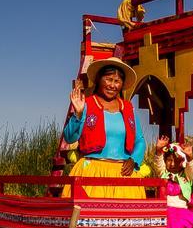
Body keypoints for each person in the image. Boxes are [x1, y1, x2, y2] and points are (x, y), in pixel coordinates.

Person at [62, 56, 147, 198]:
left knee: (125, 218)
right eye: (108, 79)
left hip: (123, 174)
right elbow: (69, 137)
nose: (112, 85)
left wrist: (134, 160)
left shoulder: (128, 109)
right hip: (92, 172)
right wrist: (78, 114)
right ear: (98, 79)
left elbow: (139, 140)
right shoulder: (86, 105)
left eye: (117, 81)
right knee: (89, 217)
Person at [152, 136, 193, 228]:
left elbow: (191, 167)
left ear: (182, 161)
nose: (172, 164)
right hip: (164, 211)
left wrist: (190, 156)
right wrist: (158, 151)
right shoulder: (163, 174)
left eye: (176, 160)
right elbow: (158, 165)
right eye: (169, 160)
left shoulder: (186, 176)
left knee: (174, 224)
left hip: (181, 213)